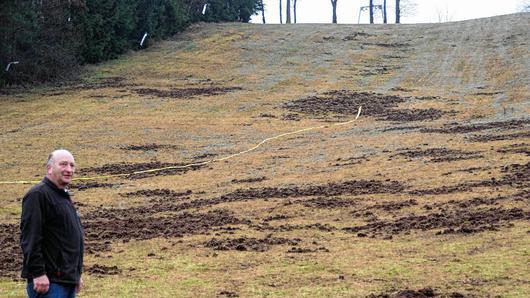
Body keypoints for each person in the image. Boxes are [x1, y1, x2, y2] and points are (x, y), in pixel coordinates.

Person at [20, 149, 84, 298]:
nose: (69, 169)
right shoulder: (38, 195)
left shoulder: (63, 197)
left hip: (66, 281)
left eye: (72, 165)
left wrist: (75, 275)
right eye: (63, 164)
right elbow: (30, 238)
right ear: (49, 168)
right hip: (49, 284)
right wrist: (38, 273)